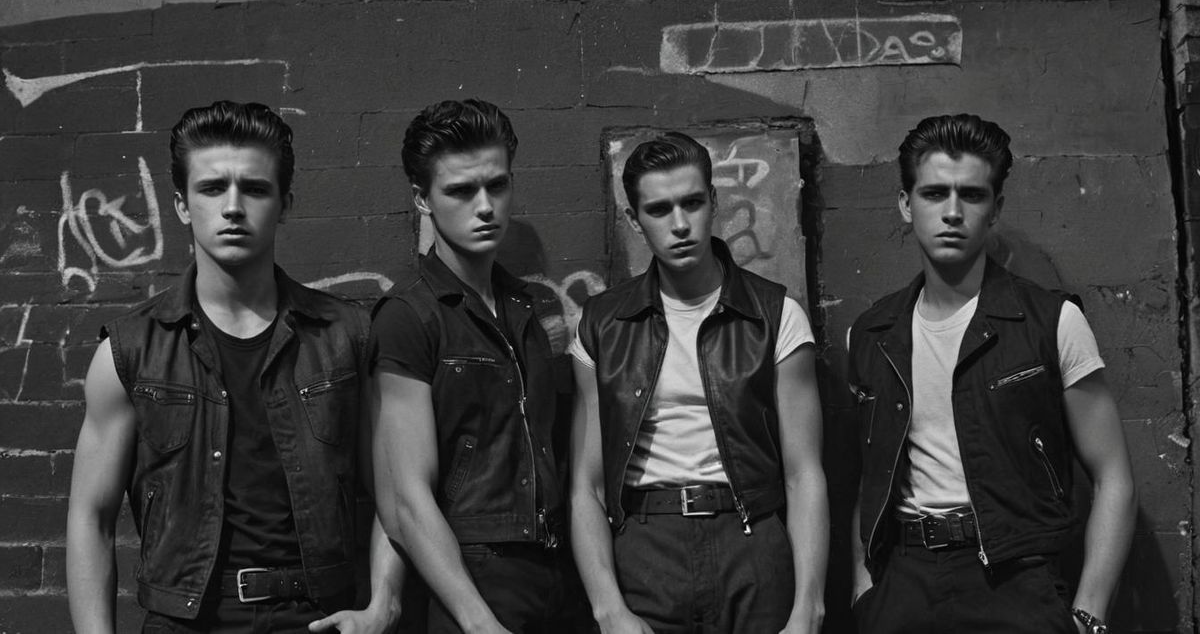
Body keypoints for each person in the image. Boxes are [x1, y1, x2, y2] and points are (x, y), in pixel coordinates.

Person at [66, 101, 403, 633]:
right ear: (181, 206)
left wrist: (384, 605)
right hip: (186, 623)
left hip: (316, 620)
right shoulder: (130, 350)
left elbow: (396, 492)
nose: (232, 207)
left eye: (254, 189)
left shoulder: (346, 337)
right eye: (211, 188)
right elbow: (92, 517)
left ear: (284, 204)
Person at [847, 114, 1136, 634]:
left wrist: (1088, 616)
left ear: (996, 208)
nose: (952, 212)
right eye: (934, 193)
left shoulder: (1052, 321)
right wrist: (865, 590)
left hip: (1016, 584)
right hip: (902, 585)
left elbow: (1114, 476)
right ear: (905, 204)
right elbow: (870, 479)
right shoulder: (871, 334)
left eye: (972, 195)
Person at [569, 132, 828, 633]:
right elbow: (587, 485)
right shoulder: (601, 325)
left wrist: (808, 608)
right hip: (646, 547)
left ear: (713, 201)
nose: (680, 224)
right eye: (659, 209)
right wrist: (608, 609)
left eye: (691, 203)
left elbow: (804, 474)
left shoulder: (775, 315)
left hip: (751, 540)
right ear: (634, 219)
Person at [368, 99, 582, 634]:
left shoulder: (525, 307)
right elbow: (406, 499)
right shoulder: (408, 316)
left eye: (497, 185)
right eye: (461, 191)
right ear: (422, 199)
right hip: (470, 579)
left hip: (554, 574)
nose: (485, 207)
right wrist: (479, 622)